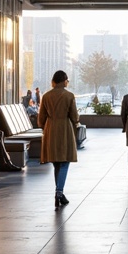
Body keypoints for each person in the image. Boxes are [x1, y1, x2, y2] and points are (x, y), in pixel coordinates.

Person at [38, 70, 80, 208]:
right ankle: (59, 191)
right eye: (67, 80)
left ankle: (60, 193)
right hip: (64, 129)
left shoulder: (46, 96)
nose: (68, 82)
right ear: (63, 80)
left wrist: (48, 125)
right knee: (64, 161)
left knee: (56, 162)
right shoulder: (69, 96)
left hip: (50, 130)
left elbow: (40, 119)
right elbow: (74, 117)